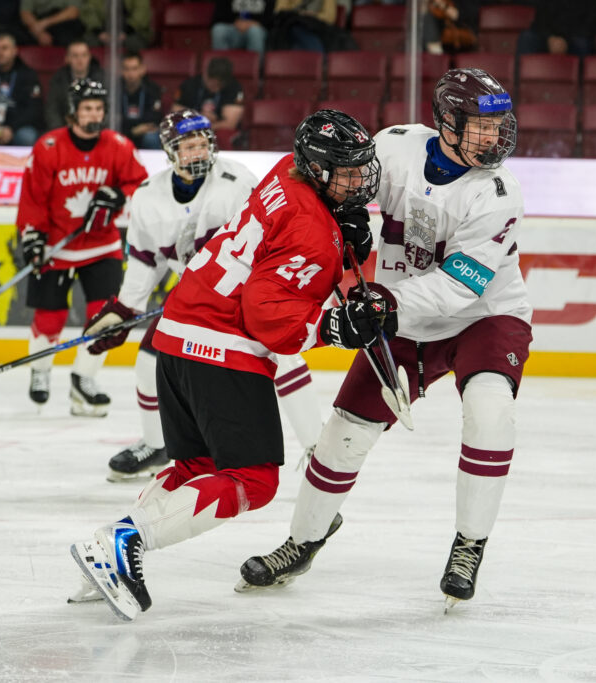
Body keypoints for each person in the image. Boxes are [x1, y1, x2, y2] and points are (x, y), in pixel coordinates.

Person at [69, 109, 388, 621]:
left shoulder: (288, 169)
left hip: (174, 337)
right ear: (320, 168)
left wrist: (343, 233)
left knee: (198, 469)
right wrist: (335, 328)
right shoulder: (311, 228)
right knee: (255, 480)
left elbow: (281, 249)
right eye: (347, 171)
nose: (358, 181)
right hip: (220, 348)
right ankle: (124, 543)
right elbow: (268, 319)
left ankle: (107, 550)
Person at [238, 69, 533, 611]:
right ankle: (303, 540)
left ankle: (469, 544)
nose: (494, 138)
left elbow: (461, 286)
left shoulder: (498, 192)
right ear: (446, 122)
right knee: (340, 437)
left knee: (491, 414)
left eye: (499, 126)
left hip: (484, 317)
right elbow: (340, 186)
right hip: (399, 317)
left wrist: (385, 302)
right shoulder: (395, 147)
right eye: (480, 126)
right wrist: (344, 217)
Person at [80, 109, 324, 481]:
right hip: (193, 298)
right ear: (169, 151)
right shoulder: (148, 197)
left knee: (283, 354)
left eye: (202, 143)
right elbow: (145, 263)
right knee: (149, 364)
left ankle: (317, 449)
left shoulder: (237, 182)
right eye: (187, 146)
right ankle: (156, 445)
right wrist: (124, 309)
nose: (197, 152)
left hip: (247, 291)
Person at [16, 78, 148, 416]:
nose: (94, 114)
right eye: (88, 108)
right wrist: (32, 236)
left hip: (101, 247)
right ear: (73, 111)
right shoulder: (48, 147)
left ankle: (82, 380)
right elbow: (33, 199)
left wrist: (119, 195)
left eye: (99, 108)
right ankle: (41, 371)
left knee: (103, 320)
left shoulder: (118, 146)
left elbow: (141, 184)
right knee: (50, 318)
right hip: (57, 246)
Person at [172, 57, 244, 139]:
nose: (214, 87)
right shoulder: (190, 84)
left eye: (219, 84)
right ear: (205, 73)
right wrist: (199, 118)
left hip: (216, 129)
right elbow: (175, 112)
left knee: (222, 135)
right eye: (211, 82)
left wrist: (209, 124)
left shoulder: (233, 88)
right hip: (191, 127)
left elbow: (230, 123)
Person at [44, 38, 105, 132]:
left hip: (96, 130)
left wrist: (95, 128)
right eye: (75, 56)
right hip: (65, 130)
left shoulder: (102, 78)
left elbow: (108, 109)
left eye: (84, 55)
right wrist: (61, 132)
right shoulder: (58, 79)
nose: (80, 60)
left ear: (89, 57)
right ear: (67, 58)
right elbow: (52, 110)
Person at [516, 0, 596, 58]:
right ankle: (519, 82)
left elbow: (590, 25)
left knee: (582, 44)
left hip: (574, 39)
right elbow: (540, 20)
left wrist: (565, 41)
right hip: (548, 37)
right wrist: (550, 38)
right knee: (526, 38)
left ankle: (581, 82)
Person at [118, 52, 163, 150]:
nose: (131, 74)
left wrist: (137, 128)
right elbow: (114, 118)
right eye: (127, 69)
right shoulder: (115, 89)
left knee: (151, 137)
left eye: (134, 69)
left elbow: (155, 117)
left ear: (142, 69)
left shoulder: (153, 88)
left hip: (144, 132)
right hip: (124, 131)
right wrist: (133, 130)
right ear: (121, 71)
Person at [79, 0, 153, 53]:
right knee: (85, 44)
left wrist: (125, 32)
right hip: (101, 32)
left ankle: (131, 71)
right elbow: (88, 12)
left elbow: (141, 14)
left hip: (132, 32)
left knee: (134, 44)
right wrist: (99, 32)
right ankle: (93, 73)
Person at [20, 0, 84, 47]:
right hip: (38, 22)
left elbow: (73, 12)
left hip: (64, 21)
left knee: (67, 37)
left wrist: (45, 23)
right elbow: (25, 13)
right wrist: (39, 33)